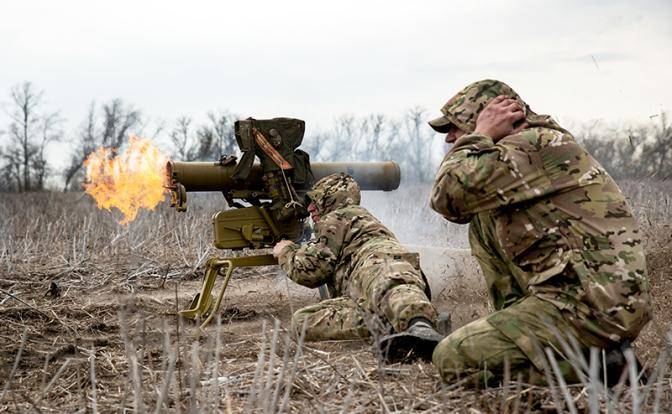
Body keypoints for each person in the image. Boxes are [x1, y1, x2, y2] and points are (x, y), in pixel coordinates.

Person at [427, 79, 652, 385]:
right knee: (482, 220)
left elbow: (447, 194)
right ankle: (527, 331)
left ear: (492, 117)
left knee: (453, 358)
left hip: (590, 309)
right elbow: (458, 210)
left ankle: (606, 369)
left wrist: (479, 134)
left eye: (456, 126)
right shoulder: (523, 150)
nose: (450, 137)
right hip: (582, 297)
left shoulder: (533, 145)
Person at [273, 173, 443, 361]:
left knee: (391, 287)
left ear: (331, 198)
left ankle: (421, 326)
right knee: (302, 321)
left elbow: (311, 271)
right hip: (373, 282)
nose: (310, 207)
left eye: (316, 199)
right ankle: (399, 325)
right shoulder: (359, 220)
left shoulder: (339, 216)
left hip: (377, 265)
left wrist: (285, 251)